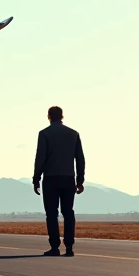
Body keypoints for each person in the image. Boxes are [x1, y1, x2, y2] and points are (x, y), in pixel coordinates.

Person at [33, 105, 85, 257]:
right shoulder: (73, 134)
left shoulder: (44, 134)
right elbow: (80, 159)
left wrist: (36, 179)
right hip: (68, 178)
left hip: (51, 179)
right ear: (62, 116)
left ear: (48, 116)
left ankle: (54, 247)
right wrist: (80, 180)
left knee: (51, 213)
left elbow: (40, 158)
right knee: (68, 212)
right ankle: (69, 247)